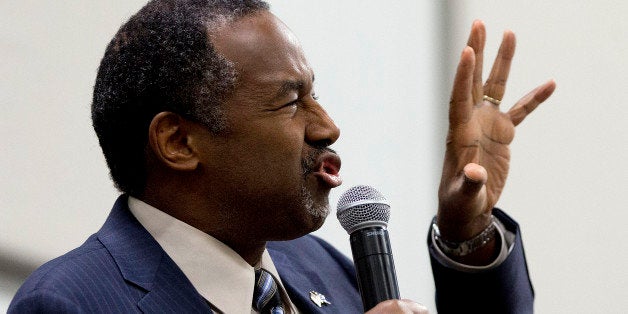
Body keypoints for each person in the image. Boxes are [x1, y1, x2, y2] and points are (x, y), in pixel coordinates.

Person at [8, 0, 555, 313]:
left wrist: (469, 236)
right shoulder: (70, 305)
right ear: (178, 143)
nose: (328, 126)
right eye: (291, 101)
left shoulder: (322, 269)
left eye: (315, 94)